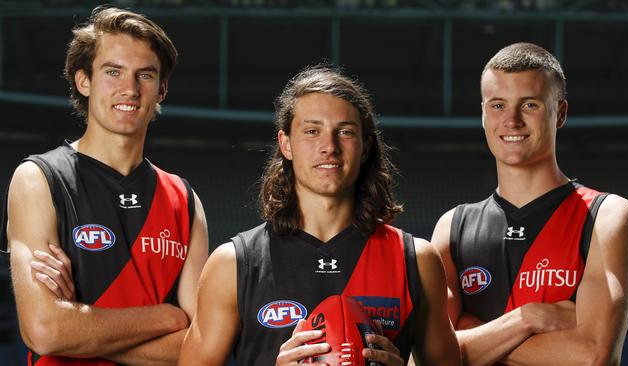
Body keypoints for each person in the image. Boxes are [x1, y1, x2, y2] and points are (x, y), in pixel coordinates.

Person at [178, 65, 461, 366]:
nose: (329, 147)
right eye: (312, 131)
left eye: (346, 132)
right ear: (286, 143)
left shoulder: (417, 261)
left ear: (365, 147)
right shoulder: (233, 264)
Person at [0, 6, 208, 365]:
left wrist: (79, 323)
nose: (129, 89)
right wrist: (167, 317)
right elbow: (44, 330)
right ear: (84, 80)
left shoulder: (184, 200)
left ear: (162, 89)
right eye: (113, 72)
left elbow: (203, 347)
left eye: (145, 75)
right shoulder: (39, 179)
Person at [431, 42, 628, 365]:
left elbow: (594, 355)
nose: (511, 121)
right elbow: (429, 358)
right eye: (498, 105)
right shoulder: (452, 228)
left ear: (561, 113)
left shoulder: (605, 217)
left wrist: (470, 336)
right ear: (483, 114)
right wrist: (528, 318)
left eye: (529, 105)